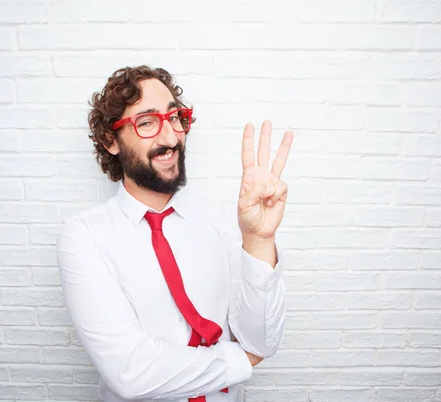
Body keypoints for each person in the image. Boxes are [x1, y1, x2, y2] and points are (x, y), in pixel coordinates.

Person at [56, 66, 294, 402]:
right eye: (147, 122)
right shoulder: (84, 237)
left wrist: (259, 240)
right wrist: (239, 361)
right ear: (111, 140)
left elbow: (262, 342)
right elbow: (131, 373)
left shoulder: (224, 222)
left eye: (175, 118)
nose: (170, 138)